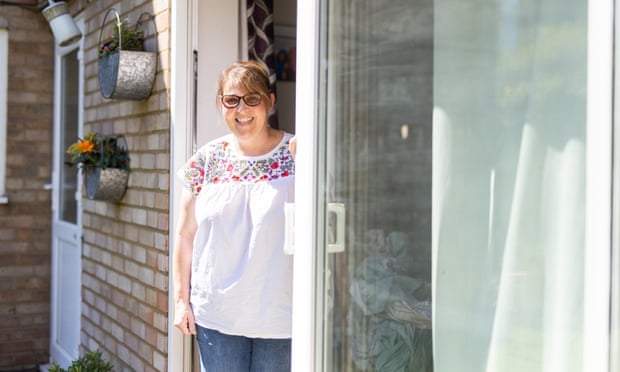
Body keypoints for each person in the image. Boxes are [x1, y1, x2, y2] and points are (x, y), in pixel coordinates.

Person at [173, 60, 296, 371]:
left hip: (281, 318)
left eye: (252, 98)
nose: (242, 109)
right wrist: (180, 300)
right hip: (217, 317)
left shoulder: (297, 155)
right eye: (232, 100)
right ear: (221, 104)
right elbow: (185, 235)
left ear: (270, 101)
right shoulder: (206, 160)